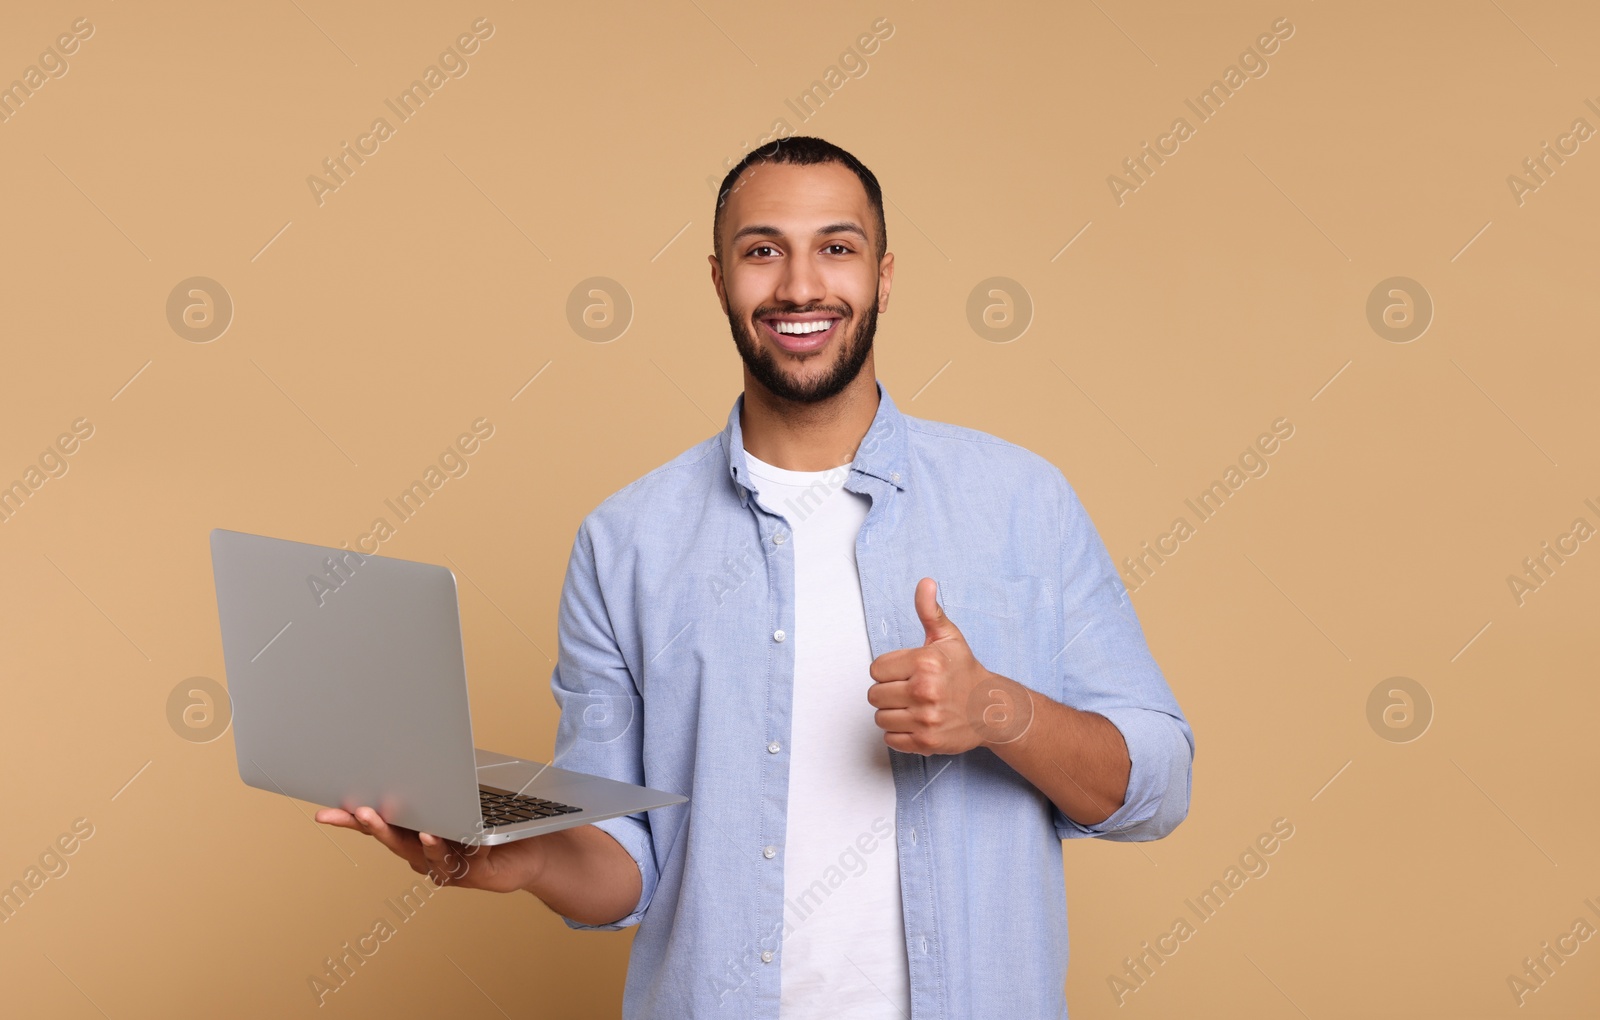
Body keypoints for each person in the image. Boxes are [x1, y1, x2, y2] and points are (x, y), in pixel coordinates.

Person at [317, 135, 1194, 1018]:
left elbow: (1157, 784)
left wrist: (998, 709)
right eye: (762, 250)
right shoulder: (625, 542)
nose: (801, 287)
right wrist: (528, 859)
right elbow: (628, 858)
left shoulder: (1021, 503)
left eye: (837, 249)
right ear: (718, 279)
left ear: (884, 277)